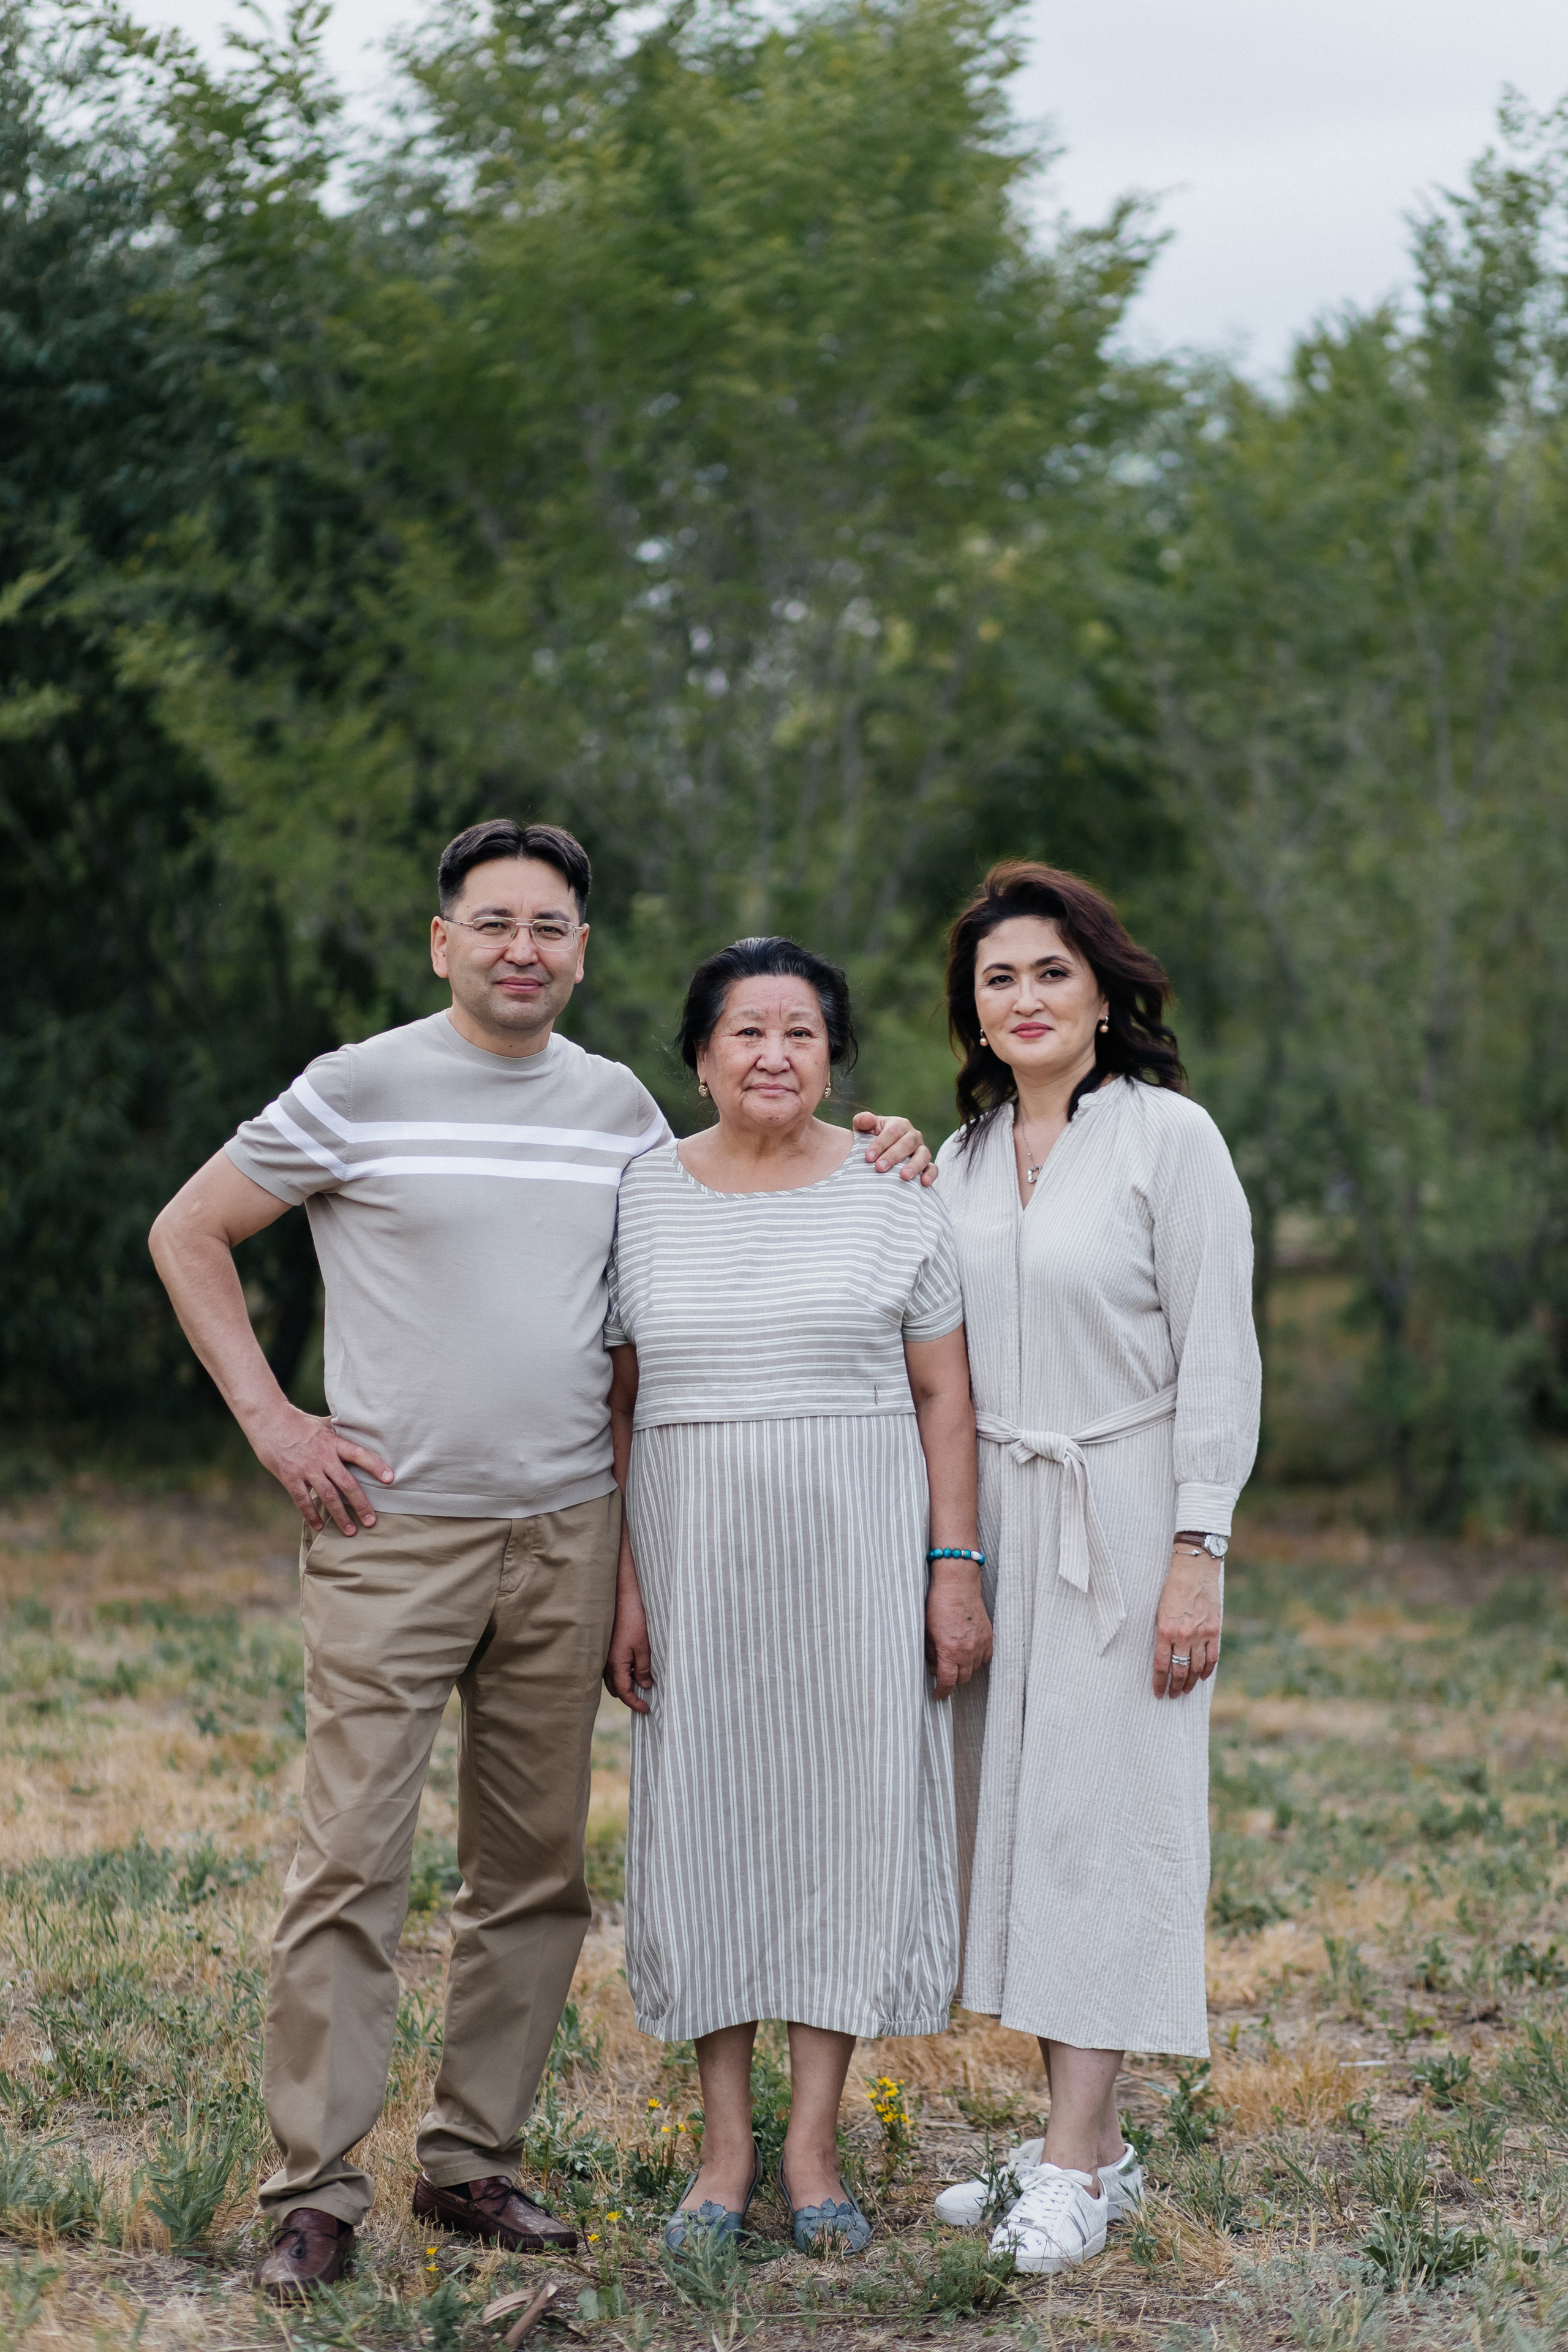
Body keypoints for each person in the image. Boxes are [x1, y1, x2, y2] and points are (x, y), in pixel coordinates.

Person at [147, 823, 933, 2301]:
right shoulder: (356, 1085)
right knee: (349, 1866)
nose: (524, 948)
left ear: (581, 951)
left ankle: (473, 2163)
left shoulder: (620, 1109)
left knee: (532, 1878)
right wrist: (271, 1421)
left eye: (552, 927)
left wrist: (882, 1143)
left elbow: (733, 1201)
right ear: (442, 941)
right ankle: (313, 2192)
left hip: (570, 1529)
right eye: (494, 922)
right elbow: (190, 1231)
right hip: (393, 1532)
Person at [601, 936, 991, 2256]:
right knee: (708, 1833)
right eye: (745, 1032)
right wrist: (624, 1585)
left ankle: (814, 2152)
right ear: (699, 1055)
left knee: (839, 1833)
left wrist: (952, 1569)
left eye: (800, 1034)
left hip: (857, 1564)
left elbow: (944, 1397)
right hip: (694, 1561)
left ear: (833, 1057)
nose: (773, 1055)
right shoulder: (638, 1194)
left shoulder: (894, 1187)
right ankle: (721, 2157)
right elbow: (617, 1400)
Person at [928, 862, 1260, 2277]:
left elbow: (1219, 1352)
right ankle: (1090, 2147)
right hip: (987, 1508)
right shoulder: (952, 1159)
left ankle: (1072, 2167)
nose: (1023, 999)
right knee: (1011, 1826)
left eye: (1048, 972)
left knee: (1103, 1826)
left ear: (1104, 989)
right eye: (997, 978)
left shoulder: (1166, 1139)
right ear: (972, 1010)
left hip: (1119, 1512)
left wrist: (1198, 1545)